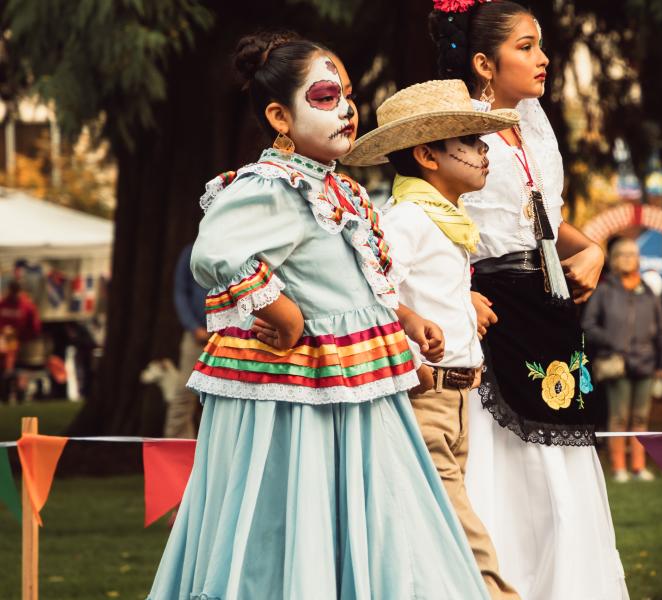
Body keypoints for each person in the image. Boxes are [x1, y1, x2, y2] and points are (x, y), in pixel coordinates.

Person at [147, 30, 491, 600]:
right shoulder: (273, 185)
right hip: (301, 394)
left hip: (354, 386)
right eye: (327, 97)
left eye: (348, 96)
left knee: (373, 513)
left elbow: (358, 280)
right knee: (296, 514)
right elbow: (215, 254)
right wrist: (282, 313)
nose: (347, 109)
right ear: (279, 116)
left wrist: (405, 321)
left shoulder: (341, 191)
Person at [429, 2, 629, 598]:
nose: (543, 58)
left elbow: (543, 220)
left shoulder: (535, 125)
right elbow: (427, 213)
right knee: (508, 468)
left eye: (540, 44)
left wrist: (591, 248)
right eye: (525, 46)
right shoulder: (457, 128)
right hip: (492, 313)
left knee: (564, 470)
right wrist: (457, 291)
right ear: (484, 63)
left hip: (549, 311)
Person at [345, 78, 521, 600]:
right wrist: (408, 345)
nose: (484, 152)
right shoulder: (406, 221)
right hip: (427, 395)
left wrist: (463, 302)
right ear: (427, 155)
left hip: (459, 397)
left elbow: (419, 290)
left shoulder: (447, 222)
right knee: (461, 528)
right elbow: (371, 294)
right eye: (470, 142)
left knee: (435, 530)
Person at [582, 238, 662, 483]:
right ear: (613, 259)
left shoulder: (648, 292)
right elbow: (588, 324)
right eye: (622, 254)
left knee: (641, 418)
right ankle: (619, 467)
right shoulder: (604, 291)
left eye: (632, 254)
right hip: (616, 364)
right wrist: (610, 340)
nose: (628, 258)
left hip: (646, 363)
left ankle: (639, 467)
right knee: (618, 418)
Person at [170, 243, 209, 438]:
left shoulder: (235, 247)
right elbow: (180, 292)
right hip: (197, 337)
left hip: (229, 336)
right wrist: (193, 327)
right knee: (184, 395)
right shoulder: (191, 252)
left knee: (223, 396)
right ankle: (177, 448)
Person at [0, 280, 42, 403]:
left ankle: (19, 392)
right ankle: (5, 391)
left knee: (18, 367)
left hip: (22, 345)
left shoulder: (27, 306)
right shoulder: (3, 304)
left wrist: (22, 336)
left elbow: (35, 328)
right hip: (5, 343)